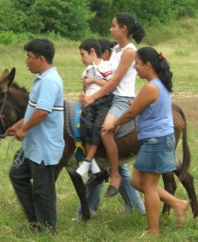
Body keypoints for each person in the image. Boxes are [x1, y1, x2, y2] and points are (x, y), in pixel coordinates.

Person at [101, 47, 189, 235]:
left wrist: (113, 124)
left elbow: (132, 112)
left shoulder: (151, 87)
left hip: (156, 140)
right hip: (155, 139)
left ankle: (153, 231)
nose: (135, 67)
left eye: (137, 64)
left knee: (148, 186)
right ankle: (177, 203)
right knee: (136, 181)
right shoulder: (161, 84)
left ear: (148, 65)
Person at [76, 38, 145, 217]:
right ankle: (137, 209)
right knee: (118, 167)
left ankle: (87, 211)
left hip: (116, 101)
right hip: (108, 100)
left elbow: (111, 83)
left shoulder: (120, 55)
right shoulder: (114, 54)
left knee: (102, 146)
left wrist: (92, 96)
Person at [6, 38, 64, 233]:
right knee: (17, 174)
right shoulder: (41, 79)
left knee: (43, 191)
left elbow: (43, 112)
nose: (26, 61)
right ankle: (35, 222)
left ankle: (47, 230)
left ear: (41, 58)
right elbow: (34, 110)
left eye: (29, 57)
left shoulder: (49, 81)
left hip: (44, 148)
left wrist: (24, 130)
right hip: (33, 146)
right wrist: (18, 125)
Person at [75, 38, 114, 176]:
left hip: (104, 101)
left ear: (92, 52)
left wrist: (93, 80)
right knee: (85, 126)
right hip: (89, 103)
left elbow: (110, 85)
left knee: (98, 126)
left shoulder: (107, 67)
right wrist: (82, 94)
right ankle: (92, 162)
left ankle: (88, 160)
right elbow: (84, 89)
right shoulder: (86, 71)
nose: (81, 58)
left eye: (82, 54)